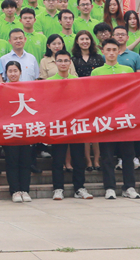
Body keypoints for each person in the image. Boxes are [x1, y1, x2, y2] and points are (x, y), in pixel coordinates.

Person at [91, 39, 139, 199]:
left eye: (114, 50)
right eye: (108, 50)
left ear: (119, 51)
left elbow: (134, 92)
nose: (111, 53)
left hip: (125, 117)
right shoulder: (96, 72)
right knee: (107, 155)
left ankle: (129, 187)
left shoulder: (128, 70)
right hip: (105, 118)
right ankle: (110, 187)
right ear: (103, 52)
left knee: (128, 154)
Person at [46, 51, 92, 200]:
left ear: (70, 62)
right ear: (55, 62)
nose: (63, 63)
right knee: (58, 159)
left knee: (78, 158)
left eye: (66, 60)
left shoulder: (77, 81)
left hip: (75, 124)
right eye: (60, 61)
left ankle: (79, 188)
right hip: (58, 124)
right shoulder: (49, 81)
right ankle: (58, 188)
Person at [1, 61, 33, 202]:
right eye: (10, 71)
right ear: (6, 73)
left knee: (25, 162)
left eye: (15, 71)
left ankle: (25, 190)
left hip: (25, 131)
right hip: (9, 131)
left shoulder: (27, 88)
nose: (13, 74)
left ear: (20, 72)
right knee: (12, 162)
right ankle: (15, 191)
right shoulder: (1, 89)